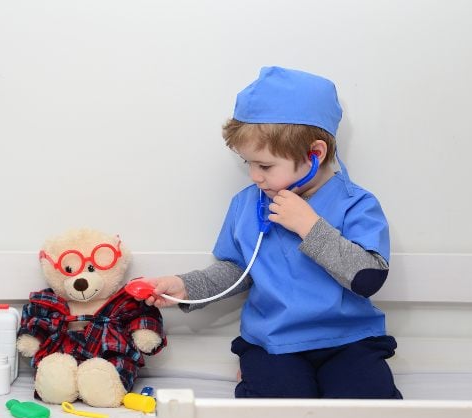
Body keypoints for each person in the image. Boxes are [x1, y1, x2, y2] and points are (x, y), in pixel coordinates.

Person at [143, 66, 401, 399]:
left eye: (264, 165)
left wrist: (309, 226)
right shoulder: (246, 205)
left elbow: (369, 278)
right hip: (272, 344)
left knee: (370, 408)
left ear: (315, 154)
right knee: (275, 410)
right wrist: (186, 287)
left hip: (348, 341)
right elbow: (237, 271)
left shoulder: (357, 205)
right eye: (247, 162)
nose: (254, 176)